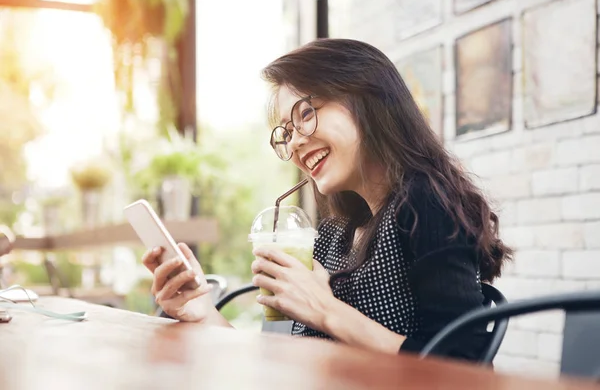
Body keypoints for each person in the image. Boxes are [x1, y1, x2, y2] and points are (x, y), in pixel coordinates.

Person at [142, 38, 512, 360]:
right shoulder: (335, 233)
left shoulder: (424, 204)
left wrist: (326, 309)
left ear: (368, 99)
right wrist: (203, 312)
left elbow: (459, 365)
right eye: (286, 132)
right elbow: (280, 360)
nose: (297, 141)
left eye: (306, 114)